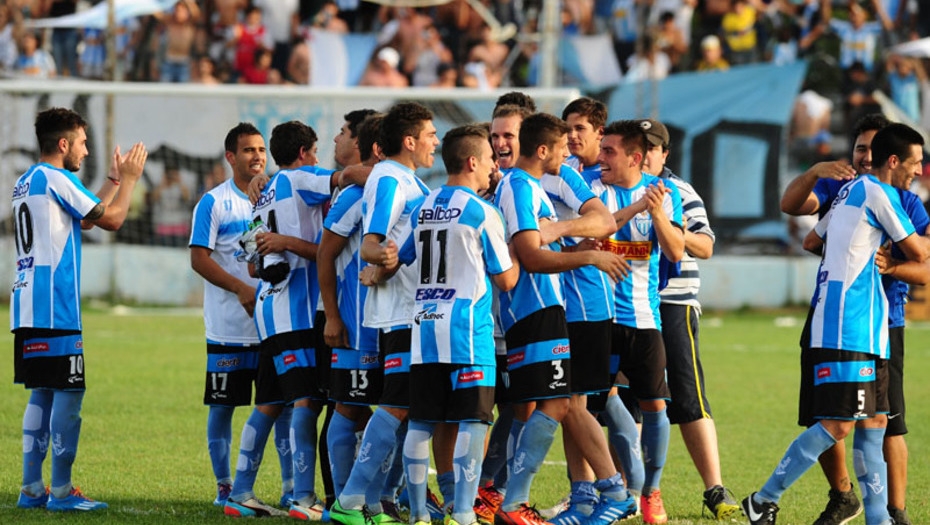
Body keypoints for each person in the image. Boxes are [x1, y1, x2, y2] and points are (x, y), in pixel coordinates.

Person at [742, 123, 928, 525]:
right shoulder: (878, 193)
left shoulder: (849, 191)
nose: (918, 171)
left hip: (868, 326)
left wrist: (851, 252)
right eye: (915, 163)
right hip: (848, 324)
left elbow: (813, 241)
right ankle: (763, 499)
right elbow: (918, 252)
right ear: (893, 161)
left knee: (876, 422)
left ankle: (878, 519)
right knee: (838, 424)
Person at [491, 112, 630, 525]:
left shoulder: (525, 186)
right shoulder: (520, 187)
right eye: (561, 149)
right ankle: (515, 503)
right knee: (556, 403)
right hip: (533, 309)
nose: (566, 156)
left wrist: (568, 243)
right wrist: (589, 257)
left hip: (539, 309)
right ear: (542, 150)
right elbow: (531, 256)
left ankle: (610, 492)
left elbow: (547, 244)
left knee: (563, 402)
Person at [13, 107, 147, 511]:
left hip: (28, 304)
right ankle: (61, 491)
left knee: (42, 392)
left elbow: (87, 219)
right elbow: (113, 220)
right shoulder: (57, 178)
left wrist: (112, 181)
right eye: (83, 143)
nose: (86, 151)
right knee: (70, 393)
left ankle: (31, 488)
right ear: (63, 144)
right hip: (56, 305)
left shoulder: (28, 180)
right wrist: (130, 180)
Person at [396, 124, 520, 525]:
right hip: (468, 332)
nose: (493, 167)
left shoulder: (423, 207)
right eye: (489, 159)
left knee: (422, 421)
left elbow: (401, 256)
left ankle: (419, 513)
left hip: (425, 328)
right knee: (473, 420)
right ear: (471, 162)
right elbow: (506, 279)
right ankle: (463, 512)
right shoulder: (483, 212)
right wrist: (522, 248)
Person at [329, 102, 437, 525]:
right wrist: (382, 258)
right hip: (401, 312)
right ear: (409, 141)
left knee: (408, 408)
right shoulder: (390, 179)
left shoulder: (409, 180)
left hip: (414, 309)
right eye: (430, 135)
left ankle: (377, 503)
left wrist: (388, 262)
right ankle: (351, 500)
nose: (435, 142)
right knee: (395, 405)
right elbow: (372, 242)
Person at [224, 121, 336, 519]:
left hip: (268, 310)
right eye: (316, 152)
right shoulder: (300, 178)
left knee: (269, 403)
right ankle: (304, 498)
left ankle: (240, 492)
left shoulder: (262, 193)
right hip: (296, 313)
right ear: (304, 153)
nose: (319, 159)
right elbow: (347, 179)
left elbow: (252, 267)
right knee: (306, 401)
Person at [543, 98, 641, 525]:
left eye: (579, 128)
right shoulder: (557, 173)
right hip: (562, 302)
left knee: (583, 401)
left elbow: (605, 224)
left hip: (589, 304)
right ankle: (584, 497)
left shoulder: (591, 179)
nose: (571, 136)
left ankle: (626, 491)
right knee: (571, 403)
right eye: (566, 128)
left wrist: (558, 234)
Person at [638, 118, 741, 520]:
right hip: (629, 305)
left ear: (664, 153)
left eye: (651, 147)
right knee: (626, 399)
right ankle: (626, 491)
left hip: (673, 302)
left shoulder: (680, 191)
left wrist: (672, 230)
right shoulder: (615, 188)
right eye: (638, 146)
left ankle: (714, 488)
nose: (643, 154)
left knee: (688, 396)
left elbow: (706, 245)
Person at [189, 123, 293, 508]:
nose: (258, 157)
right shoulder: (213, 203)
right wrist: (239, 288)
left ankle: (290, 488)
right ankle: (224, 486)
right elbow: (198, 258)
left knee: (282, 409)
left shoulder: (276, 197)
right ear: (231, 157)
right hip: (228, 329)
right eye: (249, 150)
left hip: (271, 327)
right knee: (223, 407)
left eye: (261, 150)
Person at [596, 120, 685, 524]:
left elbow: (676, 251)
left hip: (643, 317)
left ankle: (651, 491)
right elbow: (593, 232)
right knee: (595, 400)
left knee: (654, 403)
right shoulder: (592, 188)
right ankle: (621, 484)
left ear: (634, 158)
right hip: (598, 316)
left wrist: (657, 213)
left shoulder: (664, 193)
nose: (601, 158)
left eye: (609, 152)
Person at [319, 112, 383, 503]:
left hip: (393, 321)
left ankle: (381, 496)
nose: (336, 139)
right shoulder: (353, 194)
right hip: (358, 322)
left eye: (343, 132)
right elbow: (325, 254)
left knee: (391, 411)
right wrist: (332, 315)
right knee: (348, 407)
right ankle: (344, 501)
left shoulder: (396, 186)